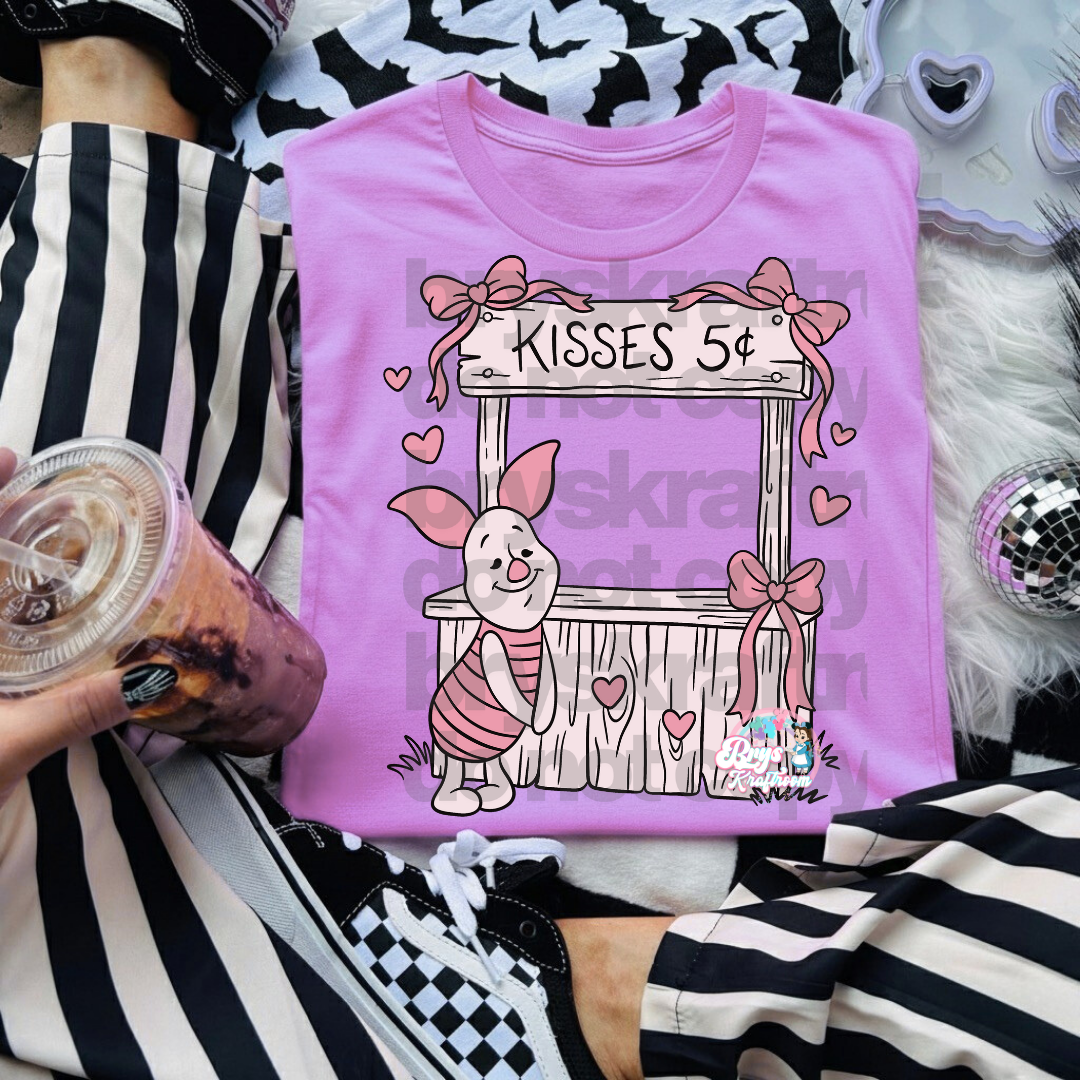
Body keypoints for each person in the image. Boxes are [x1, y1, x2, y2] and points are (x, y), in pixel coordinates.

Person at [0, 11, 1078, 1080]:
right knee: (88, 566)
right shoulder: (367, 174)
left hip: (738, 826)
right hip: (400, 819)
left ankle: (118, 109)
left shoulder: (842, 172)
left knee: (83, 572)